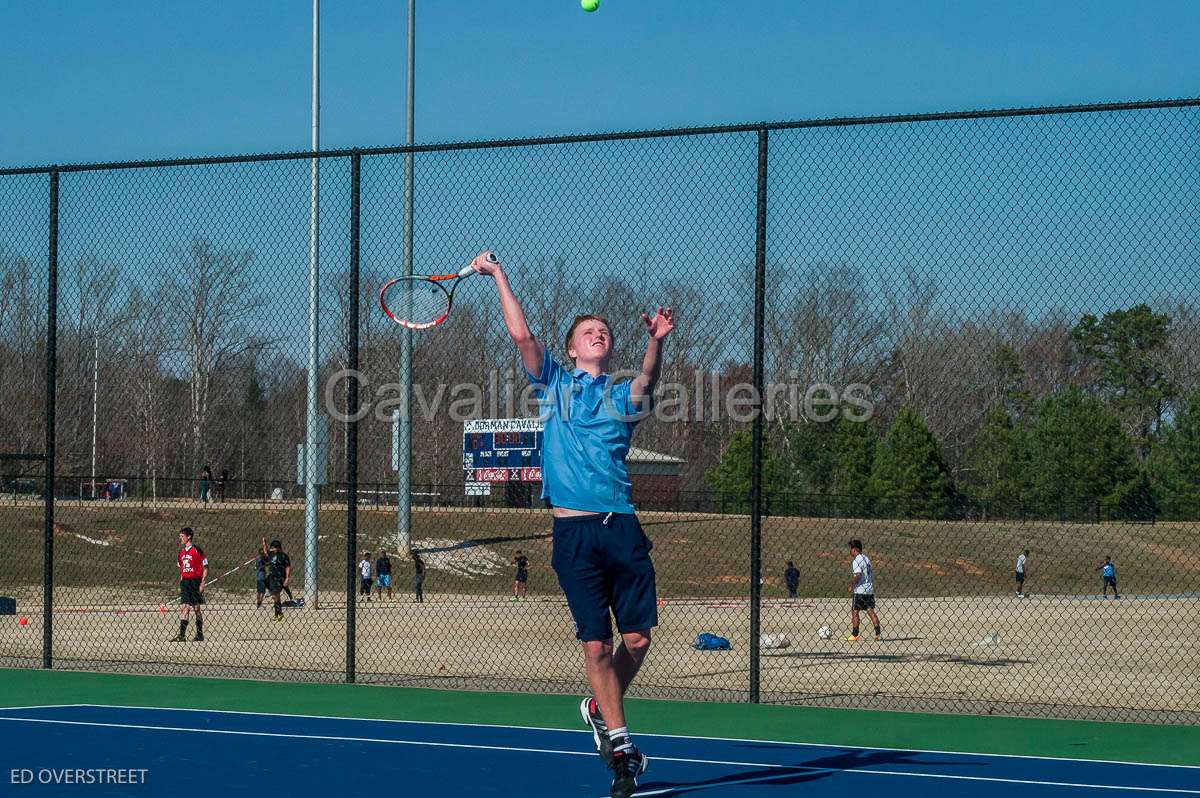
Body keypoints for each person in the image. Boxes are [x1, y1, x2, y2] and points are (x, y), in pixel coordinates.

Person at [473, 250, 672, 798]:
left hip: (622, 527)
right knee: (597, 648)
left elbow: (649, 378)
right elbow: (521, 337)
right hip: (574, 533)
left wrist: (657, 339)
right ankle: (622, 750)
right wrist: (499, 277)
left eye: (604, 330)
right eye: (588, 330)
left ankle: (597, 707)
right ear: (571, 347)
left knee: (637, 639)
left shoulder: (622, 395)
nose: (599, 333)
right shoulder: (554, 385)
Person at [171, 527, 207, 642]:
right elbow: (180, 568)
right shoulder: (181, 552)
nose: (180, 538)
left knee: (196, 608)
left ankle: (200, 634)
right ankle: (182, 635)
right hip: (185, 582)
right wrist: (181, 581)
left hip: (195, 581)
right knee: (184, 608)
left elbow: (206, 567)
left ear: (189, 536)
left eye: (182, 536)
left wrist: (203, 582)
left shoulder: (197, 550)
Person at [846, 539, 882, 642]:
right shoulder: (866, 558)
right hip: (869, 590)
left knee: (855, 611)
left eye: (851, 549)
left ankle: (855, 634)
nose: (850, 551)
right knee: (870, 611)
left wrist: (852, 585)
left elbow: (858, 575)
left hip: (860, 590)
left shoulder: (857, 560)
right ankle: (878, 634)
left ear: (855, 549)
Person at [264, 538, 291, 620]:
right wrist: (264, 543)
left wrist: (287, 578)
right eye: (271, 548)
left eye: (273, 548)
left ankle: (278, 613)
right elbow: (265, 552)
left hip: (280, 578)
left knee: (275, 595)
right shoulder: (271, 554)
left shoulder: (283, 556)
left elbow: (288, 567)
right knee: (275, 595)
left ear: (278, 548)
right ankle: (279, 613)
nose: (271, 549)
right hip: (272, 577)